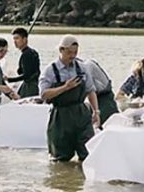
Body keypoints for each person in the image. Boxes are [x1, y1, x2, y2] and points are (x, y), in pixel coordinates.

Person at [38, 34, 100, 162]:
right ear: (61, 50)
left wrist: (96, 111)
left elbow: (90, 90)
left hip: (81, 113)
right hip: (61, 117)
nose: (72, 56)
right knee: (61, 159)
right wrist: (65, 87)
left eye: (75, 53)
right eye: (69, 53)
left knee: (88, 154)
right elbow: (43, 94)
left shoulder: (82, 68)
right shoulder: (50, 71)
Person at [79, 54, 119, 125]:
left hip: (105, 98)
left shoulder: (88, 66)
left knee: (107, 124)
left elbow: (88, 87)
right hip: (95, 98)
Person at [5, 27, 40, 98]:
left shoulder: (26, 54)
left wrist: (9, 79)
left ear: (24, 39)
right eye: (14, 39)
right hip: (33, 84)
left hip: (30, 86)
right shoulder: (32, 52)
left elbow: (26, 75)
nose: (15, 41)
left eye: (17, 38)